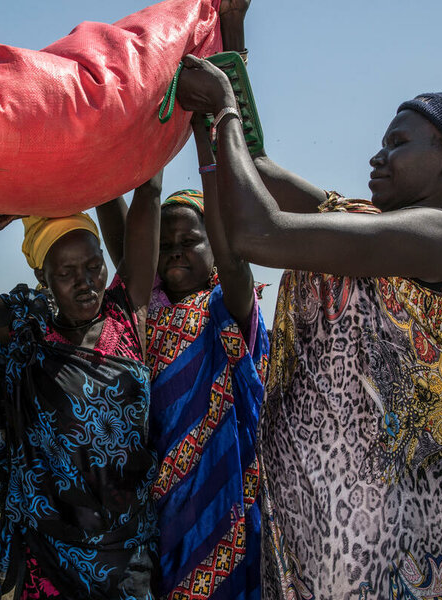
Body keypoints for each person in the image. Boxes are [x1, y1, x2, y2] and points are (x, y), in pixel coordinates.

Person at [173, 55, 442, 597]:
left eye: (398, 142)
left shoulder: (437, 235)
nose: (377, 155)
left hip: (381, 515)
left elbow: (261, 233)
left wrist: (225, 107)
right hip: (331, 504)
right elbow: (257, 163)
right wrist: (232, 31)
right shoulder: (363, 223)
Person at [0, 179, 161, 599]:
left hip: (128, 559)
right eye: (66, 272)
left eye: (94, 266)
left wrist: (128, 134)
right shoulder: (24, 333)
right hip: (48, 561)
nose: (86, 283)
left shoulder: (128, 315)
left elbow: (148, 194)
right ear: (42, 276)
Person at [98, 131, 268, 599]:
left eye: (190, 240)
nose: (174, 250)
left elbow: (235, 259)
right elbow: (123, 231)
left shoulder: (228, 305)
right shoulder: (142, 310)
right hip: (161, 499)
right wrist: (113, 138)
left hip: (226, 494)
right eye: (165, 242)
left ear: (213, 247)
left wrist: (205, 150)